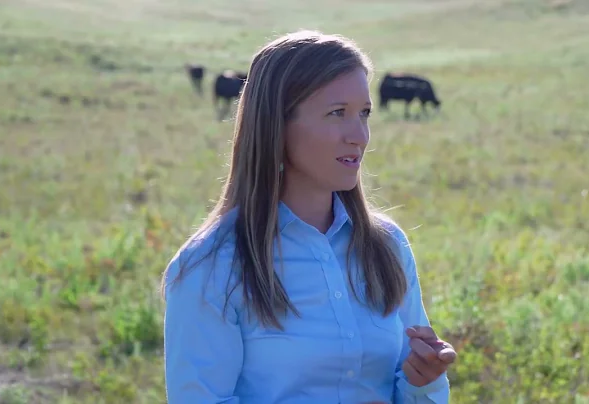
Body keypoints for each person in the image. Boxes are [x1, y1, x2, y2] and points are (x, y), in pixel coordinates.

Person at [160, 29, 457, 404]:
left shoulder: (388, 245)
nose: (359, 135)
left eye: (364, 114)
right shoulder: (210, 266)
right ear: (276, 125)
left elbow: (418, 394)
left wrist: (422, 382)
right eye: (337, 114)